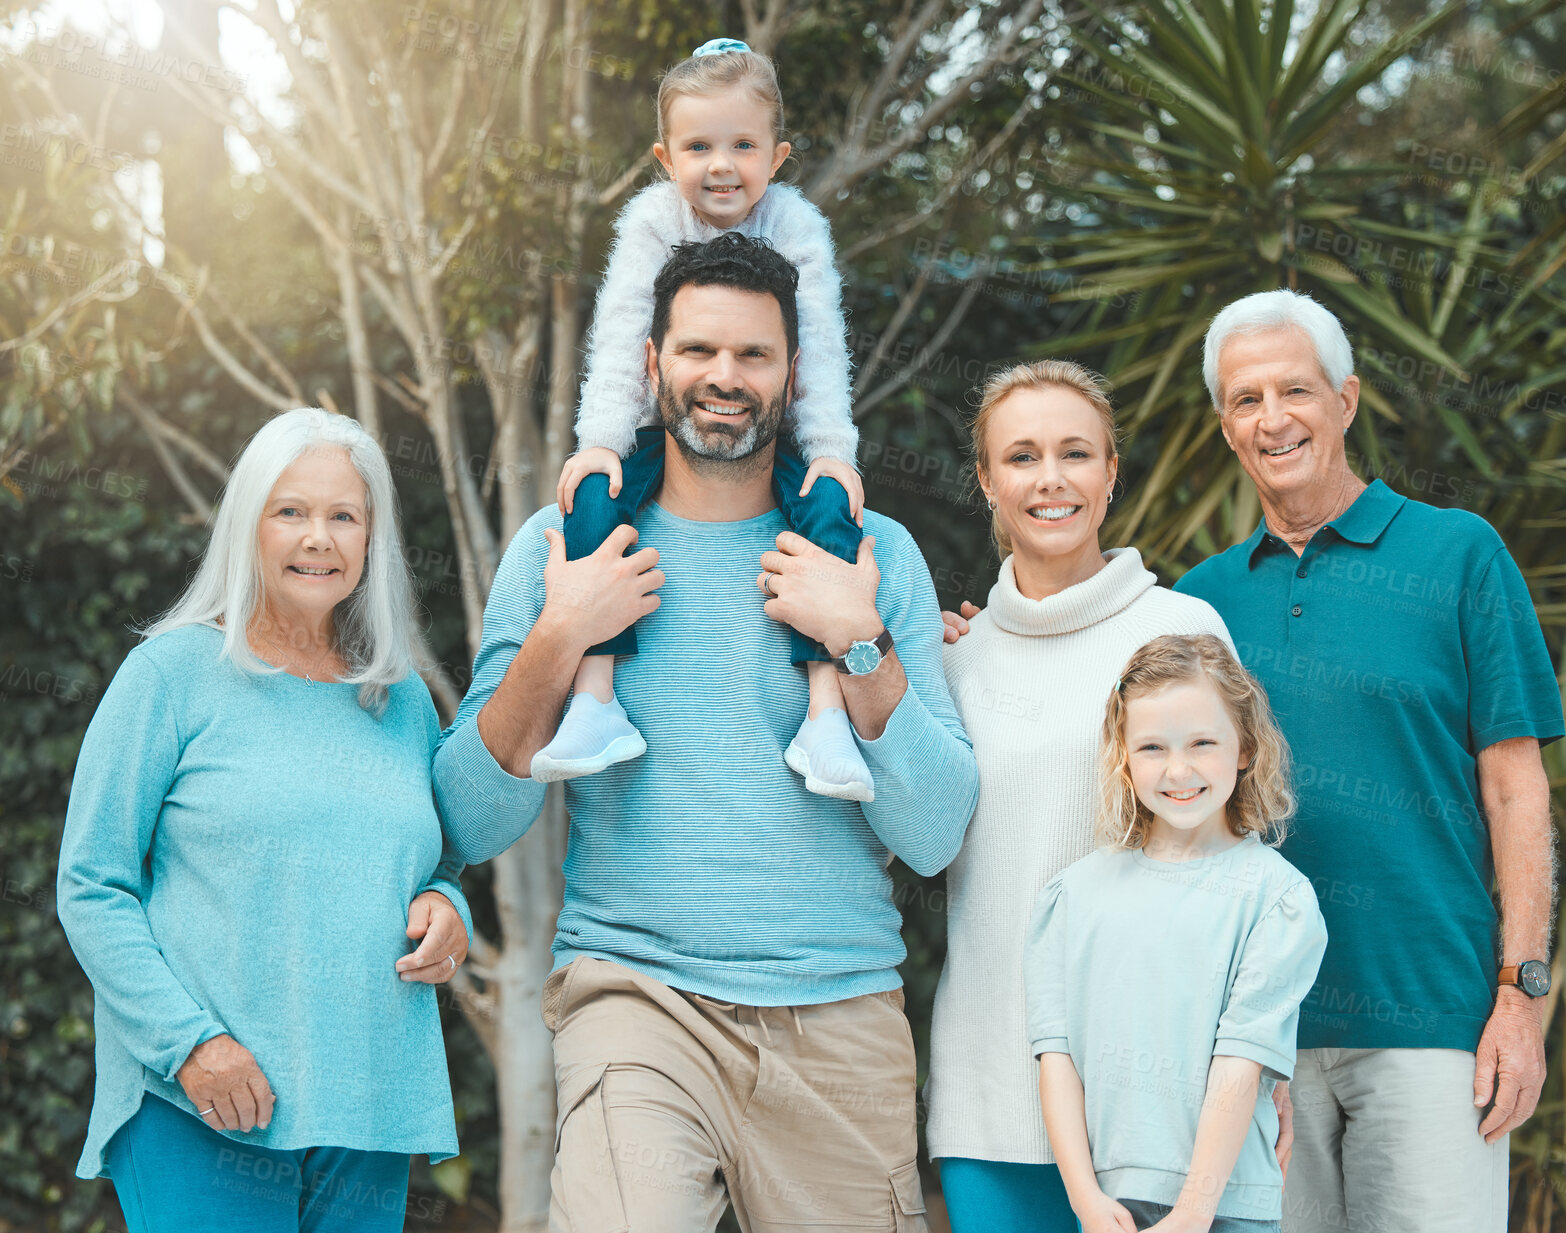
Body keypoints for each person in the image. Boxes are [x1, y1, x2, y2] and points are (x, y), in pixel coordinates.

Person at [431, 232, 977, 1231]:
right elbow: (469, 817)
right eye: (697, 351)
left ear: (793, 375)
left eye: (754, 355)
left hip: (838, 1009)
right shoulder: (562, 551)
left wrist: (859, 640)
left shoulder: (874, 558)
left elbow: (937, 833)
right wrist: (560, 635)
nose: (724, 378)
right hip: (636, 999)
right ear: (651, 364)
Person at [1174, 289, 1564, 1233]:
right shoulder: (1198, 605)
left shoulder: (1460, 555)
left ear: (1346, 399)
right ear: (1226, 426)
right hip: (1255, 1044)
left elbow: (1515, 790)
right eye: (1245, 399)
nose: (1273, 419)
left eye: (1295, 390)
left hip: (1436, 1026)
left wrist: (1522, 997)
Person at [56, 408, 472, 1232]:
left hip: (366, 1105)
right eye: (291, 511)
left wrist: (447, 908)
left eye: (342, 516)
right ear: (249, 524)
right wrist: (189, 1045)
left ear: (370, 540)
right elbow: (91, 885)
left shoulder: (400, 700)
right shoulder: (170, 675)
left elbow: (432, 865)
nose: (317, 537)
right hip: (206, 1103)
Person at [931, 361, 1249, 1232]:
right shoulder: (951, 659)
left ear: (1111, 472)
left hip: (1154, 1098)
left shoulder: (1183, 633)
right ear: (987, 481)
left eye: (1076, 452)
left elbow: (1241, 868)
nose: (1051, 478)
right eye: (1022, 456)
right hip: (990, 1089)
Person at [539, 36, 874, 801]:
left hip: (774, 432)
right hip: (667, 429)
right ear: (665, 156)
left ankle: (825, 712)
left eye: (743, 145)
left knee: (828, 509)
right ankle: (596, 697)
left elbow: (816, 346)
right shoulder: (653, 222)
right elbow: (626, 332)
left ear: (778, 154)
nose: (721, 165)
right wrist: (599, 442)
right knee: (595, 494)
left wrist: (831, 449)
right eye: (699, 146)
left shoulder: (796, 226)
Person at [1027, 633, 1328, 1233]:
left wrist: (1194, 1210)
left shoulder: (1279, 898)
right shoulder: (1072, 896)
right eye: (1153, 747)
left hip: (1226, 1205)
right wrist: (1085, 1198)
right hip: (1107, 1203)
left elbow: (1241, 1063)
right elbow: (1055, 1055)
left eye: (1202, 743)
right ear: (1124, 758)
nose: (1179, 770)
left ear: (1244, 748)